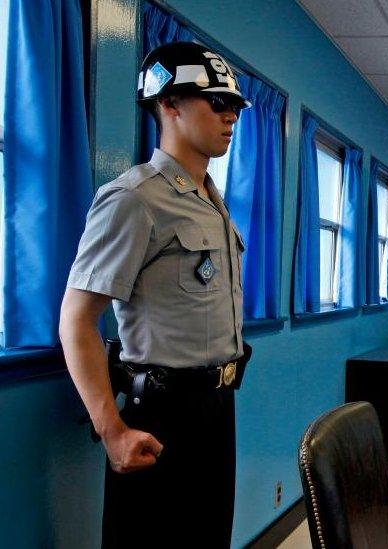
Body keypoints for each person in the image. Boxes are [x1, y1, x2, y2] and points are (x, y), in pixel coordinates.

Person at [59, 42, 251, 548]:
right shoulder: (135, 199)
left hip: (217, 407)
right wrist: (112, 431)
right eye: (216, 102)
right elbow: (77, 320)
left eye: (234, 105)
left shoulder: (210, 198)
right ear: (168, 103)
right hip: (162, 415)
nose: (230, 114)